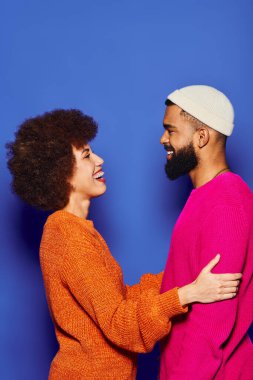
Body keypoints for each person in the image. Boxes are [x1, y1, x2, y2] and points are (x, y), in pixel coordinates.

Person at [7, 109, 241, 380]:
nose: (99, 160)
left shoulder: (72, 231)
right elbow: (121, 325)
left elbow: (120, 299)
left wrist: (185, 277)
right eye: (86, 155)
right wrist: (186, 295)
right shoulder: (67, 236)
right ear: (61, 174)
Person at [159, 85, 253, 380]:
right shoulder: (206, 196)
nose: (163, 139)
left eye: (171, 130)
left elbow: (213, 320)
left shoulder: (226, 201)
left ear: (201, 137)